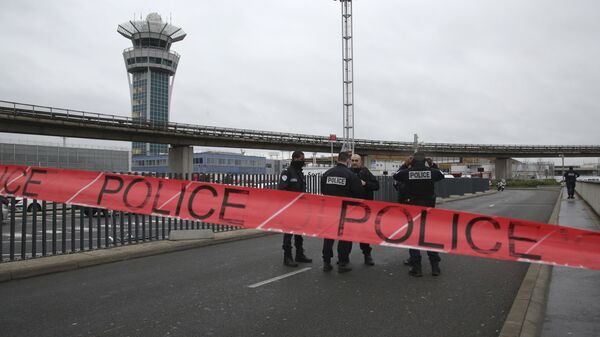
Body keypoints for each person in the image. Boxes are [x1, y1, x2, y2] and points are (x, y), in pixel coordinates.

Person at [393, 152, 445, 277]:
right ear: (425, 160)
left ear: (413, 161)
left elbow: (396, 176)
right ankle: (435, 267)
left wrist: (406, 164)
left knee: (413, 237)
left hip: (413, 209)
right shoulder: (431, 172)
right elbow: (441, 175)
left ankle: (416, 267)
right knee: (430, 237)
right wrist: (433, 164)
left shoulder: (407, 173)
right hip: (429, 210)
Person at [321, 151, 364, 273]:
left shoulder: (327, 174)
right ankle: (343, 262)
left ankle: (326, 262)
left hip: (330, 210)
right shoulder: (351, 175)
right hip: (346, 211)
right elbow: (359, 194)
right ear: (348, 161)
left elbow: (323, 191)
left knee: (328, 237)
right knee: (344, 237)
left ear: (337, 159)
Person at [278, 151, 312, 267]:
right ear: (295, 158)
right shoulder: (287, 172)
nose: (303, 161)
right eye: (302, 159)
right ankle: (287, 257)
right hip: (290, 209)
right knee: (288, 234)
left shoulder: (300, 173)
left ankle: (299, 254)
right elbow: (282, 190)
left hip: (300, 209)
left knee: (299, 232)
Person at [350, 154, 380, 266]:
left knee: (364, 234)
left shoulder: (366, 172)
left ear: (360, 162)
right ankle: (344, 258)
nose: (354, 162)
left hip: (364, 209)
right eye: (352, 160)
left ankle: (367, 255)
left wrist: (365, 183)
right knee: (347, 234)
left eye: (356, 160)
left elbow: (376, 186)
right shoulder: (347, 172)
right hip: (351, 209)